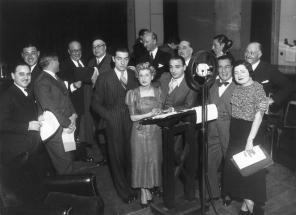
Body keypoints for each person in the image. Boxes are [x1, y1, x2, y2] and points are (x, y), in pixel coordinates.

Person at [34, 53, 96, 174]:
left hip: (67, 125)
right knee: (63, 163)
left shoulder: (55, 77)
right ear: (52, 62)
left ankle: (71, 183)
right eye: (57, 61)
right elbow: (51, 107)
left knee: (69, 156)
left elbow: (66, 97)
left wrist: (73, 114)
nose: (59, 64)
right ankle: (68, 189)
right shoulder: (42, 81)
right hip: (56, 128)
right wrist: (67, 123)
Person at [91, 48, 139, 203]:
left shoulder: (133, 75)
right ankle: (123, 192)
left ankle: (132, 186)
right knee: (116, 158)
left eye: (126, 59)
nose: (123, 62)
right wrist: (109, 117)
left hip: (132, 120)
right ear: (113, 59)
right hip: (113, 122)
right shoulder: (104, 78)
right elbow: (95, 104)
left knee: (130, 155)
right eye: (119, 59)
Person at [222, 60, 268, 215]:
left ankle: (254, 211)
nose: (239, 75)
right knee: (233, 172)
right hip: (235, 135)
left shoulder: (257, 88)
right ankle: (244, 208)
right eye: (236, 72)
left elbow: (259, 115)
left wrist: (250, 140)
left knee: (248, 177)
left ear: (249, 71)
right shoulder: (236, 87)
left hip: (249, 134)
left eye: (242, 71)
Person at [0, 63, 49, 202]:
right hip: (19, 153)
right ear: (12, 76)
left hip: (31, 147)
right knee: (27, 192)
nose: (26, 77)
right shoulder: (7, 95)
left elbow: (22, 114)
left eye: (28, 74)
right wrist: (27, 126)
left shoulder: (25, 91)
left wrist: (37, 118)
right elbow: (1, 123)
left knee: (37, 187)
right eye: (21, 74)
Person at [159, 55, 198, 199]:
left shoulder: (191, 84)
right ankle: (165, 186)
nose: (173, 70)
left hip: (178, 126)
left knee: (174, 157)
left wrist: (172, 110)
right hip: (160, 124)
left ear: (184, 67)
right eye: (171, 67)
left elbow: (189, 106)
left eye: (177, 67)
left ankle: (171, 190)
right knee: (161, 156)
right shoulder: (164, 78)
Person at [125, 62, 163, 207]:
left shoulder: (158, 91)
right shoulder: (132, 93)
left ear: (152, 76)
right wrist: (149, 113)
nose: (144, 78)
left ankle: (148, 188)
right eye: (141, 75)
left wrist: (162, 112)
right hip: (139, 132)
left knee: (152, 160)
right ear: (137, 77)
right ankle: (142, 190)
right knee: (140, 161)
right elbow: (133, 118)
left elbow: (159, 111)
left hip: (155, 132)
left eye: (147, 75)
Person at [207, 55, 236, 202]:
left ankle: (228, 193)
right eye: (220, 67)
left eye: (227, 66)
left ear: (232, 68)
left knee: (229, 163)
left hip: (229, 131)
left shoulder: (238, 86)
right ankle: (213, 193)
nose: (223, 70)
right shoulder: (210, 84)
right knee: (210, 162)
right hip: (212, 130)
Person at [244, 42, 295, 112]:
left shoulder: (269, 69)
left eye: (252, 52)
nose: (248, 55)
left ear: (259, 54)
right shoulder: (239, 67)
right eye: (246, 52)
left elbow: (289, 86)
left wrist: (273, 99)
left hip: (259, 111)